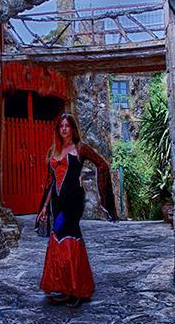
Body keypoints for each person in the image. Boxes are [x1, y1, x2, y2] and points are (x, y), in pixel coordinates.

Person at [36, 113, 117, 307]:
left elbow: (102, 164)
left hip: (73, 201)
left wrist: (91, 183)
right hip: (57, 203)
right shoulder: (54, 150)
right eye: (61, 126)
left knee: (70, 236)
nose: (64, 129)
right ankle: (65, 288)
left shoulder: (81, 148)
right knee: (58, 235)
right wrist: (45, 207)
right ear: (58, 129)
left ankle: (77, 290)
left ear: (73, 129)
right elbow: (51, 182)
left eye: (67, 126)